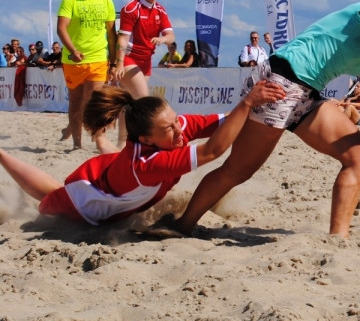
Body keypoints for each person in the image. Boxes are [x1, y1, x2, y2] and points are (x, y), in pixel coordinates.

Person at [149, 0, 360, 240]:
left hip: (308, 94)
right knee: (238, 170)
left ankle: (337, 240)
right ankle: (182, 225)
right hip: (281, 80)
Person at [0, 81, 285, 226]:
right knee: (49, 198)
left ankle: (101, 139)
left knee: (94, 168)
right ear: (147, 138)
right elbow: (213, 150)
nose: (179, 130)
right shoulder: (149, 164)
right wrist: (247, 102)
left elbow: (224, 122)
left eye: (176, 121)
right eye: (169, 128)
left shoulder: (170, 128)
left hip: (113, 170)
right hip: (85, 199)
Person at [57, 0, 118, 150]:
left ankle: (99, 142)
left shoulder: (106, 0)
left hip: (99, 58)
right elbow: (61, 28)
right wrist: (73, 50)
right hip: (73, 60)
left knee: (93, 103)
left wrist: (114, 62)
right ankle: (77, 144)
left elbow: (111, 34)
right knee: (76, 102)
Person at [116, 0, 175, 100]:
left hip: (146, 60)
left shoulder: (160, 10)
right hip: (129, 58)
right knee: (142, 98)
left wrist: (163, 39)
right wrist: (119, 64)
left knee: (130, 101)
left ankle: (117, 114)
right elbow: (123, 39)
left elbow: (171, 37)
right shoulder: (131, 8)